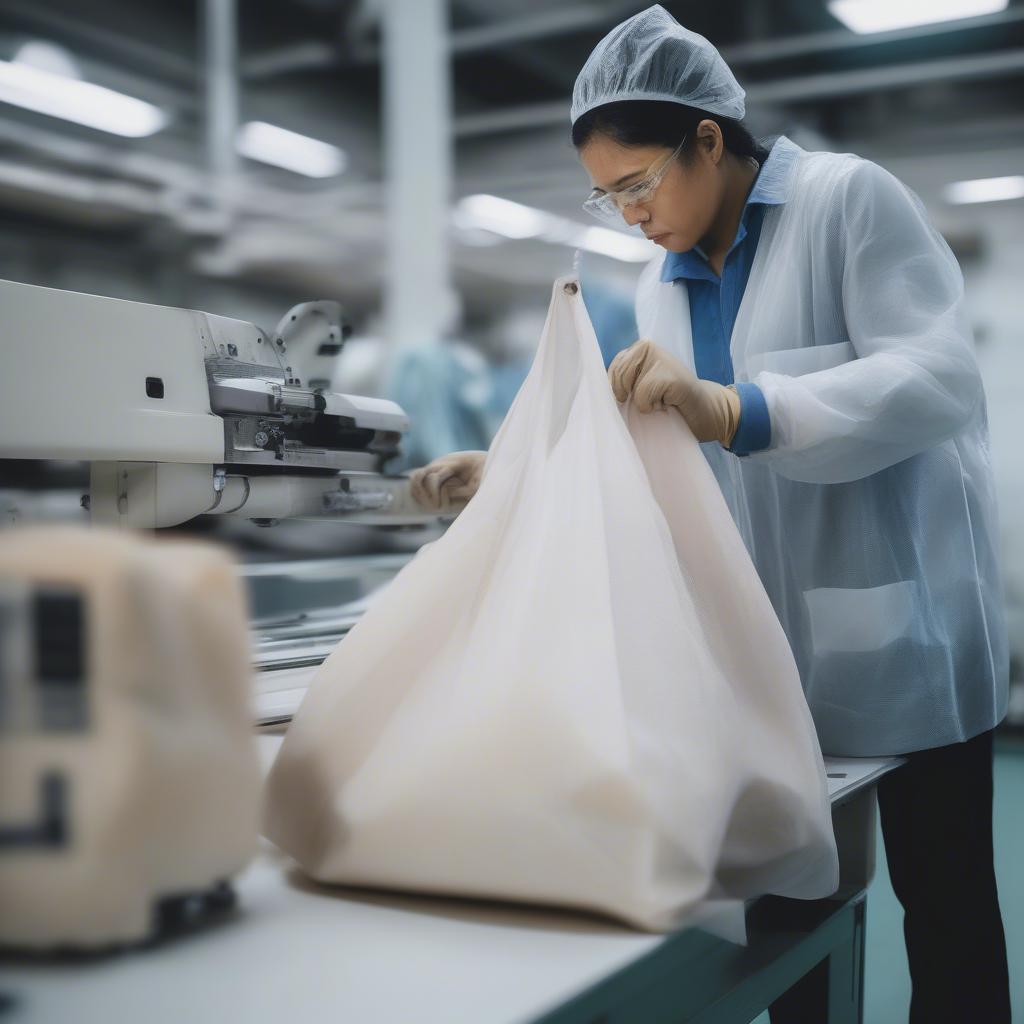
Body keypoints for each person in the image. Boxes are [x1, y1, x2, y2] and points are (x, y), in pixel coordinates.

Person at [410, 7, 1011, 1020]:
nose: (632, 215)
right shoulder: (662, 288)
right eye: (607, 199)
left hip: (906, 631)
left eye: (638, 183)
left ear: (706, 137)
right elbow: (658, 455)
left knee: (943, 905)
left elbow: (936, 376)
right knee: (790, 903)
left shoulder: (845, 201)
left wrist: (747, 408)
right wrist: (516, 471)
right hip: (768, 654)